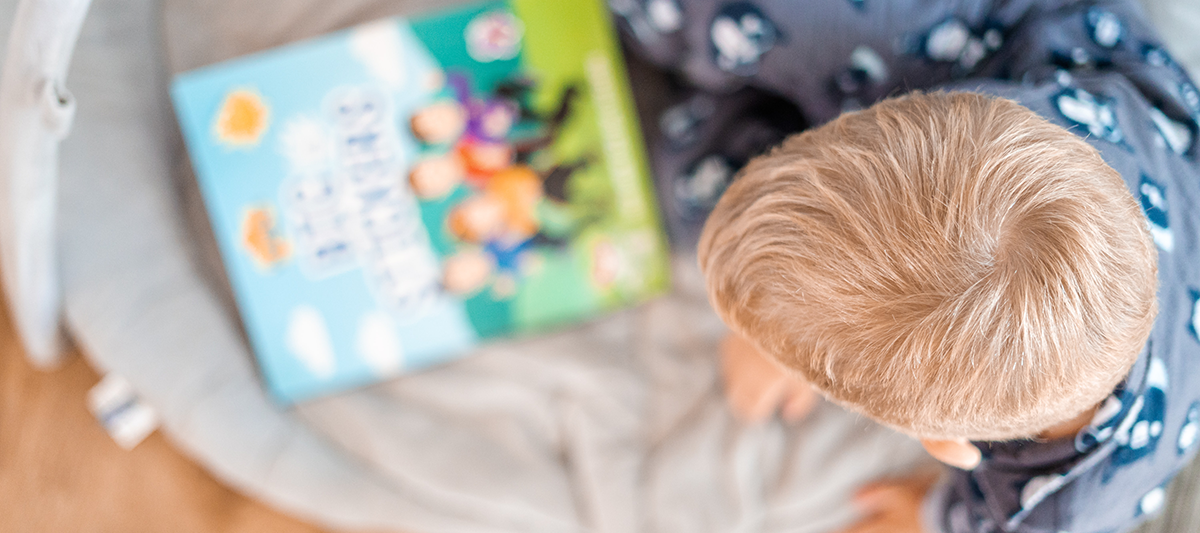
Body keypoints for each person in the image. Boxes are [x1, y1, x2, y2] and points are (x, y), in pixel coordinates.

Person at [614, 1, 1200, 531]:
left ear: (945, 443)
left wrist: (928, 515)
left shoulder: (1064, 508)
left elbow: (976, 522)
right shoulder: (1040, 172)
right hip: (1028, 42)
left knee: (690, 188)